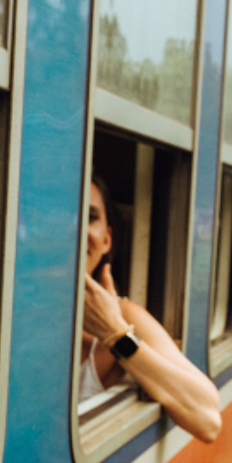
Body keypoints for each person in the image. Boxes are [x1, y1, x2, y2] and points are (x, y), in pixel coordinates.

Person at [77, 178, 222, 442]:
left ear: (107, 240)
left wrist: (115, 333)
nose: (77, 230)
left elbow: (208, 418)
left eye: (90, 217)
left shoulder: (124, 316)